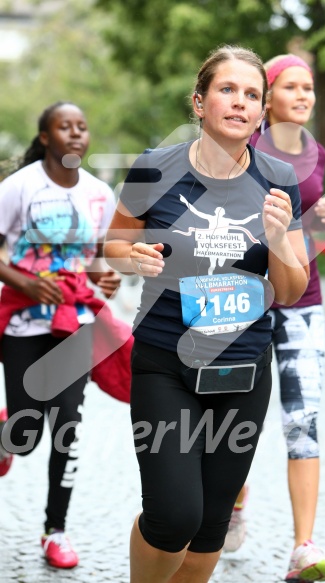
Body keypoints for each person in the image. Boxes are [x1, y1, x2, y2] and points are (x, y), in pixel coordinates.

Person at [103, 45, 309, 583]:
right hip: (164, 363)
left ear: (262, 112)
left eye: (251, 95)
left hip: (241, 369)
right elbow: (115, 245)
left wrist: (278, 243)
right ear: (199, 102)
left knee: (212, 524)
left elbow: (290, 290)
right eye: (227, 90)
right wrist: (135, 256)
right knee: (174, 517)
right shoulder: (155, 167)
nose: (240, 103)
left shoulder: (278, 179)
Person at [224, 54, 325, 582]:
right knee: (233, 424)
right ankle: (233, 496)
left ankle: (303, 547)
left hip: (303, 303)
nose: (303, 95)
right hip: (244, 301)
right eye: (290, 86)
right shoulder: (242, 143)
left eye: (309, 87)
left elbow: (302, 233)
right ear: (266, 96)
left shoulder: (314, 154)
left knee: (303, 422)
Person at [0, 101, 122, 568]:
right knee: (26, 434)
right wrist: (25, 281)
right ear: (46, 137)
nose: (75, 133)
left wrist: (105, 276)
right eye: (63, 127)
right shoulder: (20, 187)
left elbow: (97, 256)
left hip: (75, 324)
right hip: (23, 325)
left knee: (67, 427)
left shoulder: (98, 193)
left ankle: (56, 530)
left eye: (82, 127)